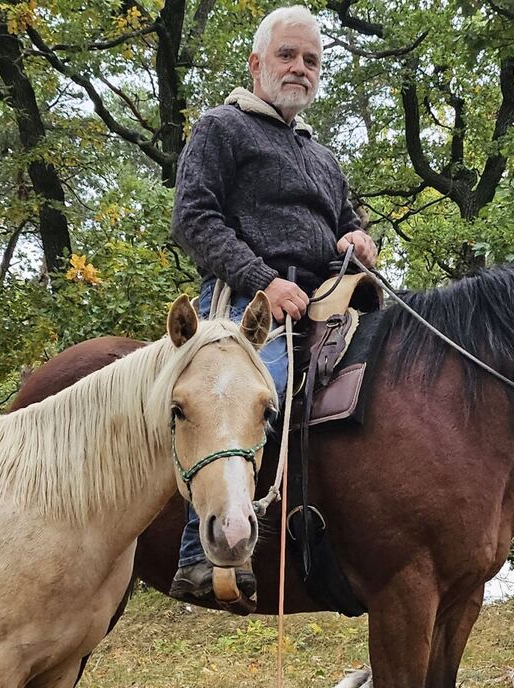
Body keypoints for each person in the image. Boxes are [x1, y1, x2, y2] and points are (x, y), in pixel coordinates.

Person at [168, 4, 378, 604]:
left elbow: (345, 222)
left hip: (326, 302)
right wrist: (265, 281)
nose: (299, 68)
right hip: (248, 307)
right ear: (257, 63)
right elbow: (194, 219)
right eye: (287, 55)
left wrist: (356, 239)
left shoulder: (323, 157)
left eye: (311, 60)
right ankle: (201, 556)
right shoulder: (222, 128)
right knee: (257, 395)